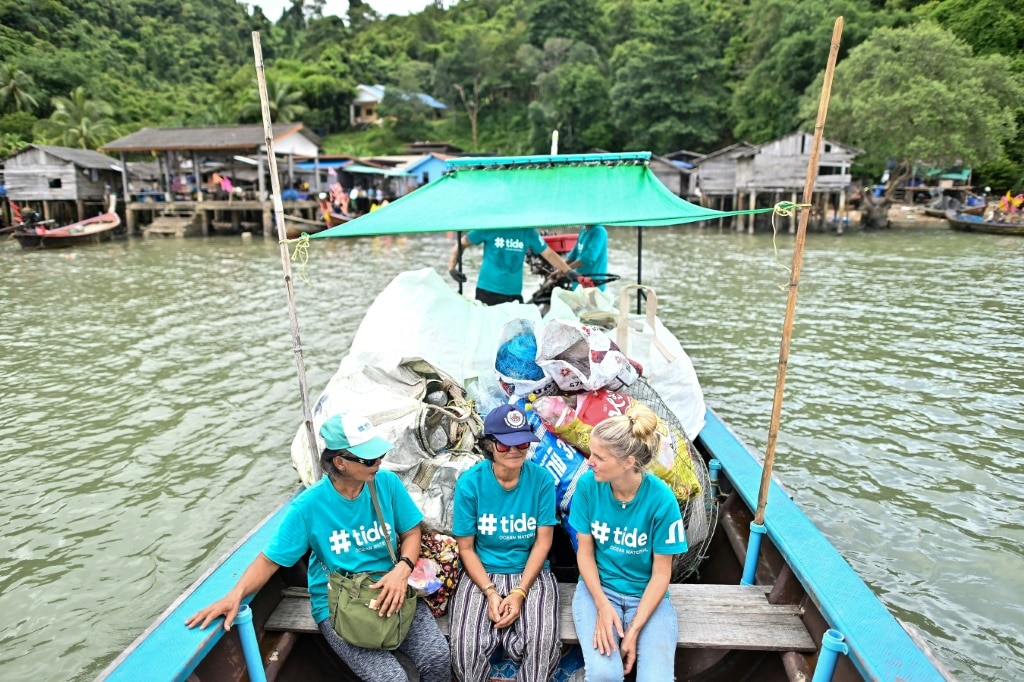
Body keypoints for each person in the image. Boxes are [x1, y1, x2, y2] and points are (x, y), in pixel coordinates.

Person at [186, 413, 450, 682]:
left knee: (437, 656)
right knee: (391, 679)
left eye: (378, 455)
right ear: (340, 463)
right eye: (369, 459)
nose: (378, 463)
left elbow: (411, 532)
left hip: (392, 586)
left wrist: (402, 570)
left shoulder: (387, 484)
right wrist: (235, 596)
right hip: (340, 603)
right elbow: (269, 561)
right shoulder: (308, 507)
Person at [569, 404, 688, 681]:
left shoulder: (661, 499)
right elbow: (585, 554)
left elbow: (661, 573)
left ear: (628, 462)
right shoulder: (588, 487)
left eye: (599, 457)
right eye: (592, 453)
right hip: (598, 589)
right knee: (604, 676)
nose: (589, 461)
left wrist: (633, 630)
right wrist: (601, 606)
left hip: (645, 595)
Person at [449, 404, 561, 681]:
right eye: (504, 445)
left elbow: (542, 543)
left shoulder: (542, 480)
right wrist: (490, 592)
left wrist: (520, 592)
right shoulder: (470, 483)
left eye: (522, 443)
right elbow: (466, 548)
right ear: (489, 446)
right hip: (483, 571)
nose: (514, 450)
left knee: (542, 646)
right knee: (465, 649)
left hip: (531, 571)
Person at [448, 229, 575, 305]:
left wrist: (568, 271)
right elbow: (463, 242)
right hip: (487, 291)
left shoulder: (527, 231)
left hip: (514, 294)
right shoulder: (490, 227)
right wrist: (452, 268)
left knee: (514, 337)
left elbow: (548, 253)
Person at [565, 224, 609, 291]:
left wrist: (566, 270)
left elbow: (589, 258)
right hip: (578, 283)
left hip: (593, 285)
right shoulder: (583, 229)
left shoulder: (599, 231)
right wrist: (559, 269)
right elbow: (573, 254)